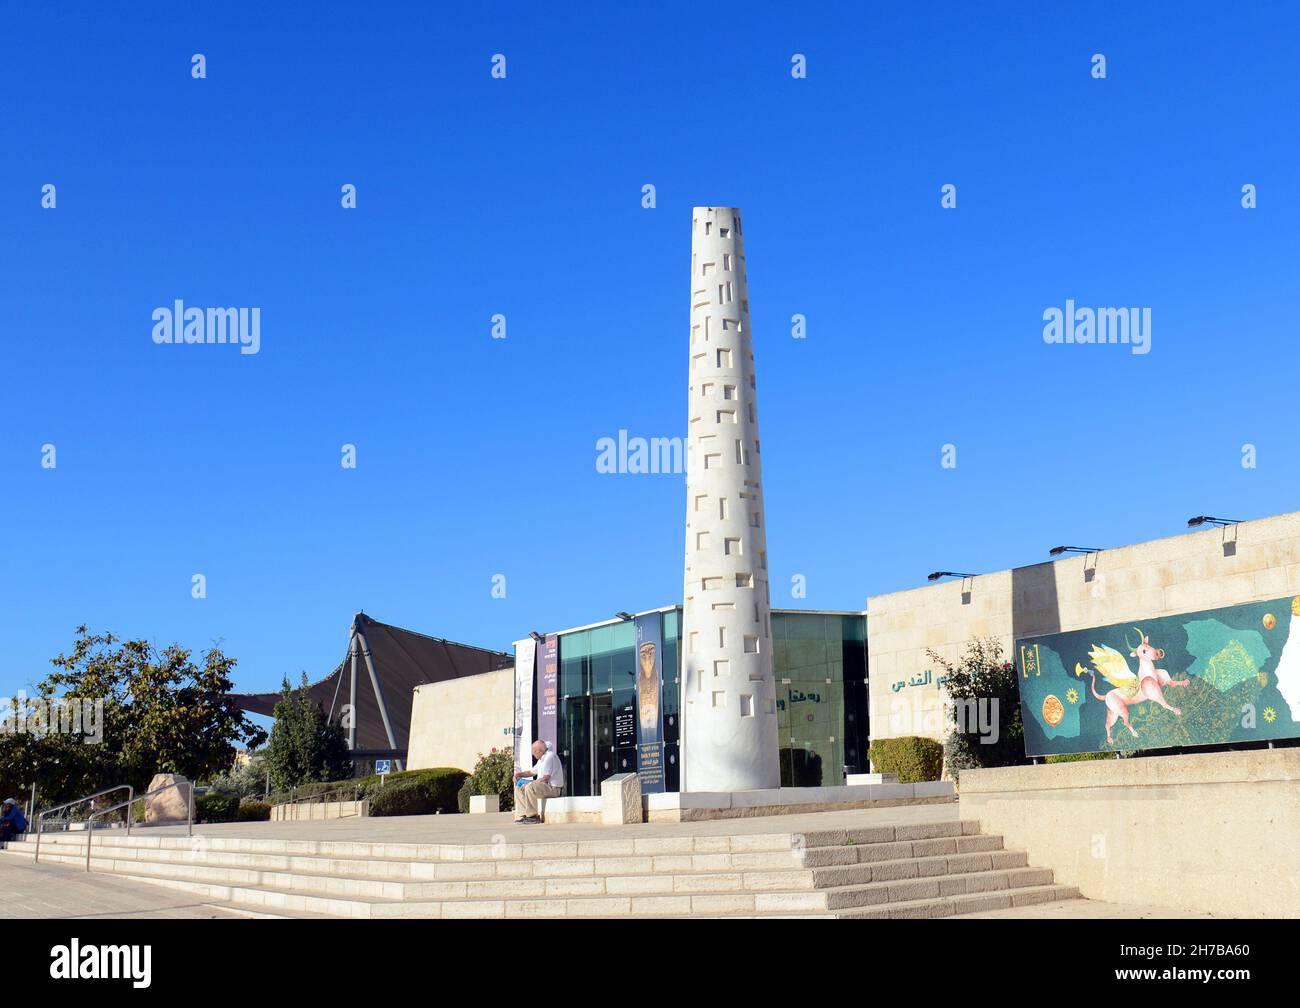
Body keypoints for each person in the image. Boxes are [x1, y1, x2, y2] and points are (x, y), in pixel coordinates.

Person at [512, 739, 564, 824]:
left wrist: (530, 784)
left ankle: (533, 816)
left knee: (529, 787)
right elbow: (531, 772)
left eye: (534, 752)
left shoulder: (550, 757)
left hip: (554, 789)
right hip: (544, 787)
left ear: (539, 751)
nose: (533, 754)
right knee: (519, 788)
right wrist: (519, 774)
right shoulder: (541, 759)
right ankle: (524, 815)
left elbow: (545, 778)